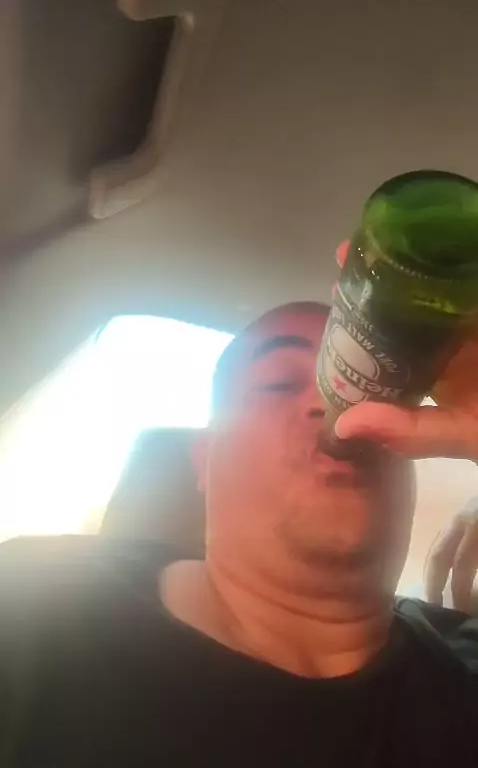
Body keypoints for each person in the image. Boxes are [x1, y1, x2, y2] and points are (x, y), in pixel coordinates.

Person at [1, 300, 478, 767]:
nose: (337, 406)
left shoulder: (463, 656)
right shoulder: (28, 603)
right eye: (280, 383)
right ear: (204, 457)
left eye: (373, 392)